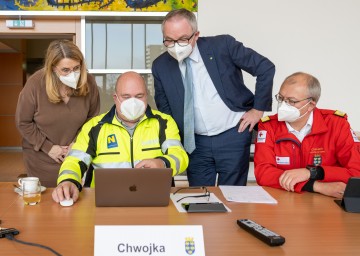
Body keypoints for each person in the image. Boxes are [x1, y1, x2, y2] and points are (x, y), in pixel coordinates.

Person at [152, 8, 275, 186]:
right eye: (169, 40)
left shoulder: (222, 45)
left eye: (183, 39)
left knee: (233, 198)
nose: (176, 45)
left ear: (196, 35)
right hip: (194, 143)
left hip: (233, 134)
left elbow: (265, 68)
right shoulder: (160, 66)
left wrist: (257, 110)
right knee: (199, 198)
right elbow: (165, 108)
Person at [52, 71, 188, 203]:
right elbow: (74, 160)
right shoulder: (95, 127)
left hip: (154, 199)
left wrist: (163, 163)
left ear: (147, 96)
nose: (133, 102)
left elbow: (179, 156)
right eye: (126, 97)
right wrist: (67, 181)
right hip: (104, 202)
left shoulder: (164, 122)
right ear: (115, 97)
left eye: (139, 96)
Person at [255, 72, 360, 198]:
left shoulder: (337, 124)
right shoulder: (268, 126)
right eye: (281, 98)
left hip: (324, 204)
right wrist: (315, 185)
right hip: (283, 200)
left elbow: (356, 171)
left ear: (311, 105)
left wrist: (313, 173)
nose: (283, 105)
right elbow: (263, 173)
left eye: (291, 101)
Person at [15, 39, 100, 187]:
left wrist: (77, 143)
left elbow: (92, 119)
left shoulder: (89, 83)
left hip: (76, 156)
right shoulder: (35, 84)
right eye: (66, 70)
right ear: (53, 68)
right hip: (42, 159)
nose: (73, 74)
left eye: (77, 68)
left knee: (76, 200)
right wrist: (49, 148)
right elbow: (23, 122)